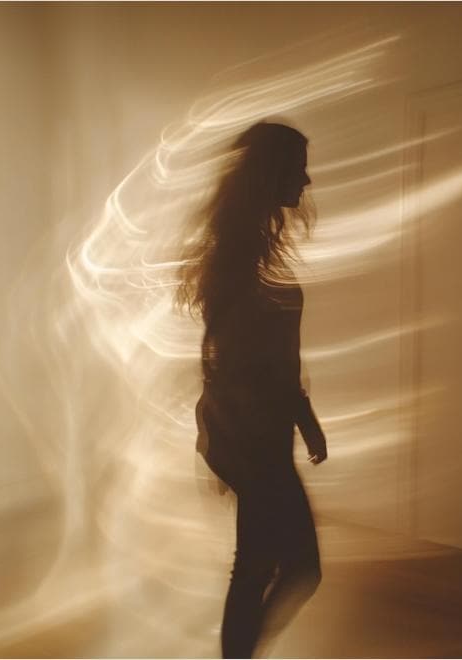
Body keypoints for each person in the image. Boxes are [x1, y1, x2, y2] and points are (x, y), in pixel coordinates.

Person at [176, 120, 327, 658]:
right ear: (273, 172)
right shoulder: (240, 259)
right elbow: (243, 364)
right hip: (257, 442)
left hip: (262, 439)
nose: (307, 180)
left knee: (271, 567)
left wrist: (303, 421)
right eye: (299, 166)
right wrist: (248, 446)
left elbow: (271, 362)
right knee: (292, 568)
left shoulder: (253, 251)